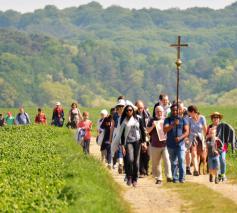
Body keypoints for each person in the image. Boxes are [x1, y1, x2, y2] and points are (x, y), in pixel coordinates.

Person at [116, 104, 146, 187]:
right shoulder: (123, 120)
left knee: (136, 162)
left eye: (130, 110)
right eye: (127, 110)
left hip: (137, 141)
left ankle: (135, 179)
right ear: (125, 112)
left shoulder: (138, 119)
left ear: (133, 111)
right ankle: (129, 176)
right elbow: (121, 134)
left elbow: (142, 131)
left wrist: (144, 142)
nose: (129, 111)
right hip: (128, 142)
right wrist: (122, 145)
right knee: (130, 159)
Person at [164, 103, 189, 183]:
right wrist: (173, 124)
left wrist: (180, 138)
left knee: (181, 159)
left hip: (180, 144)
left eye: (176, 110)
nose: (175, 112)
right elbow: (165, 130)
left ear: (179, 110)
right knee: (173, 162)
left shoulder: (183, 119)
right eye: (173, 110)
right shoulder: (167, 119)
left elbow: (187, 131)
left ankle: (182, 178)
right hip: (170, 144)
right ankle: (175, 178)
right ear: (171, 111)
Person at [207, 112, 236, 182]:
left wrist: (232, 141)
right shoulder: (210, 127)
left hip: (222, 147)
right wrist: (209, 136)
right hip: (212, 148)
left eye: (217, 117)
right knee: (214, 162)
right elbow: (206, 136)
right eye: (214, 117)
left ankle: (223, 174)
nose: (215, 119)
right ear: (212, 119)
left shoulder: (224, 125)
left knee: (222, 160)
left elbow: (231, 130)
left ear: (219, 119)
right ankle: (215, 174)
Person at [147, 106, 172, 184]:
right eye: (157, 111)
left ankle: (169, 176)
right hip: (155, 145)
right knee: (156, 163)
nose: (159, 113)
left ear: (163, 112)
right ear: (155, 112)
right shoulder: (151, 120)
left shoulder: (166, 120)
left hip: (165, 145)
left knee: (167, 160)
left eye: (160, 111)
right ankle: (159, 178)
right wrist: (153, 126)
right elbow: (147, 131)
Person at [187, 105, 207, 176]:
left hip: (201, 138)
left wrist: (205, 139)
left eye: (189, 112)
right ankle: (195, 170)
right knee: (194, 153)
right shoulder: (189, 119)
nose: (188, 114)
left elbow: (205, 129)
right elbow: (188, 131)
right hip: (193, 138)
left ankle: (198, 169)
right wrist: (187, 139)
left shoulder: (202, 118)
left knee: (199, 155)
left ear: (192, 112)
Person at [135, 100, 151, 176]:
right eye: (139, 108)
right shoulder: (134, 115)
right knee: (140, 154)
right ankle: (141, 171)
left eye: (141, 108)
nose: (140, 109)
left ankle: (146, 168)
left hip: (147, 136)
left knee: (147, 154)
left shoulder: (147, 114)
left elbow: (150, 123)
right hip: (138, 137)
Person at [110, 98, 126, 174]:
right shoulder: (115, 115)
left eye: (122, 106)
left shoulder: (127, 114)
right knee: (119, 148)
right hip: (117, 133)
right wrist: (110, 137)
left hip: (125, 133)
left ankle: (122, 163)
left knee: (123, 149)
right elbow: (112, 126)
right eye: (120, 106)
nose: (121, 108)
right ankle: (120, 163)